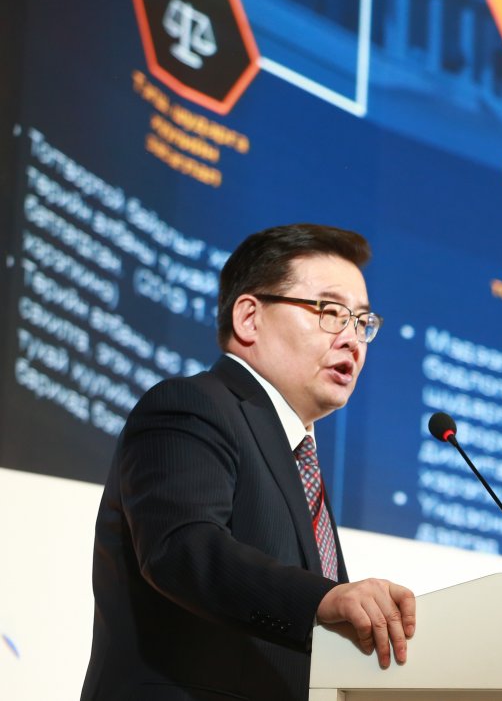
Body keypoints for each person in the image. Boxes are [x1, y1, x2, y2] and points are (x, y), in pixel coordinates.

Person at [81, 223, 416, 701]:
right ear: (249, 318)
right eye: (330, 312)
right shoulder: (192, 405)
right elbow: (182, 548)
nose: (352, 340)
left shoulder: (297, 455)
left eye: (362, 322)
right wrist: (323, 599)